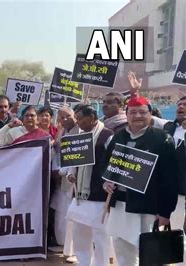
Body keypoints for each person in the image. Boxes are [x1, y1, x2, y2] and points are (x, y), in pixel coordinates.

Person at [103, 96, 178, 266]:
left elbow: (170, 178)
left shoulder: (162, 139)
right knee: (122, 248)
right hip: (121, 205)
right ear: (126, 114)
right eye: (133, 112)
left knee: (150, 252)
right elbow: (106, 165)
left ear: (150, 114)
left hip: (148, 206)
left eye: (142, 112)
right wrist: (106, 181)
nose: (138, 116)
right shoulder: (118, 137)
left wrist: (165, 212)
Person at [64, 105, 114, 266]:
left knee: (101, 236)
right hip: (80, 195)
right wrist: (71, 172)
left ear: (92, 117)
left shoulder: (108, 136)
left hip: (99, 195)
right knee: (79, 234)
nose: (77, 122)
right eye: (76, 119)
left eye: (80, 119)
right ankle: (83, 262)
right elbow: (74, 160)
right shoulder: (79, 137)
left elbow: (113, 163)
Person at [51, 106, 80, 262]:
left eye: (68, 116)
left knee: (71, 214)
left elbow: (78, 157)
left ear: (74, 115)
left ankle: (73, 249)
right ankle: (64, 246)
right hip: (60, 179)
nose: (65, 119)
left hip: (71, 179)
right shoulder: (62, 132)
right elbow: (57, 154)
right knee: (61, 213)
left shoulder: (80, 132)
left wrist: (62, 172)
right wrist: (55, 169)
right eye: (61, 117)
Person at [162, 96, 186, 263]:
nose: (181, 107)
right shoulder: (168, 127)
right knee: (177, 230)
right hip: (175, 189)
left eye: (185, 105)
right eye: (179, 104)